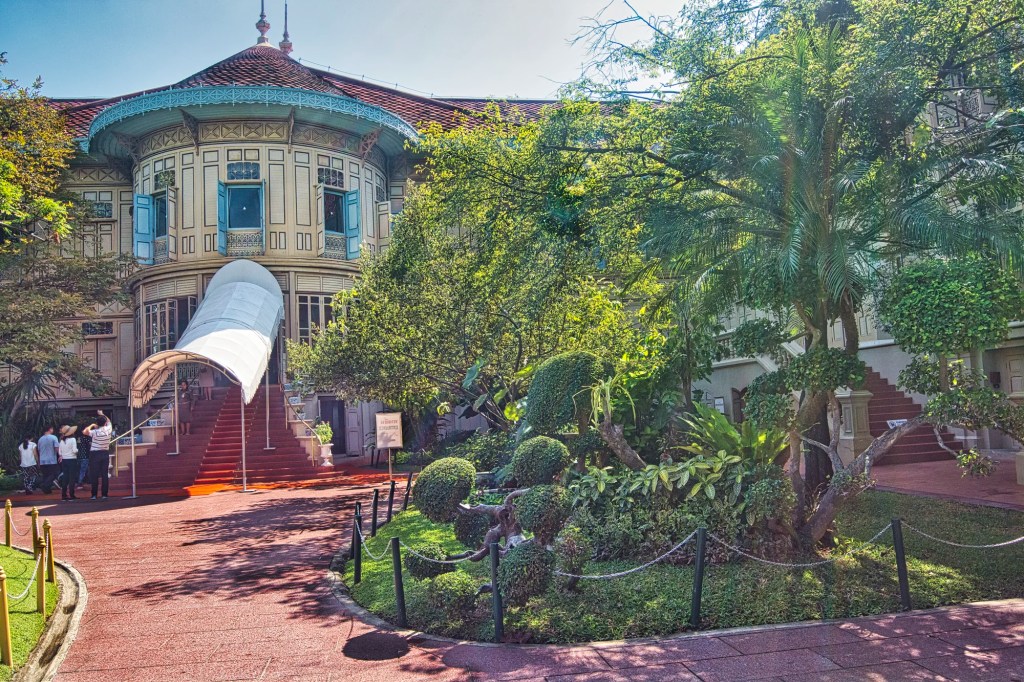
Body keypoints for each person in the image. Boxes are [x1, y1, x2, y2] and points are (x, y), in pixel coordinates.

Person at [83, 414, 112, 499]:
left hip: (95, 454)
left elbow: (85, 431)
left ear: (97, 423)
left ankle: (94, 494)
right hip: (105, 452)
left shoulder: (94, 432)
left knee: (94, 474)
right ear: (105, 423)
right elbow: (109, 421)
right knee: (104, 474)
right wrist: (102, 414)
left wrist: (92, 425)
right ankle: (104, 494)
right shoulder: (108, 430)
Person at [58, 425, 80, 501]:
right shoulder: (73, 440)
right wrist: (78, 451)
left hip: (64, 460)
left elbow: (60, 452)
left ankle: (64, 495)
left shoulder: (61, 440)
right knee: (72, 478)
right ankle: (71, 494)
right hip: (72, 460)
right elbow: (74, 450)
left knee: (65, 478)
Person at [36, 426, 60, 494]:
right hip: (51, 459)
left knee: (46, 475)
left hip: (43, 460)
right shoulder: (53, 437)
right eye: (52, 429)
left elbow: (39, 450)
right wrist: (60, 455)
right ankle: (45, 485)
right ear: (49, 429)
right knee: (54, 474)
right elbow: (56, 448)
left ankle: (47, 490)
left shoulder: (40, 439)